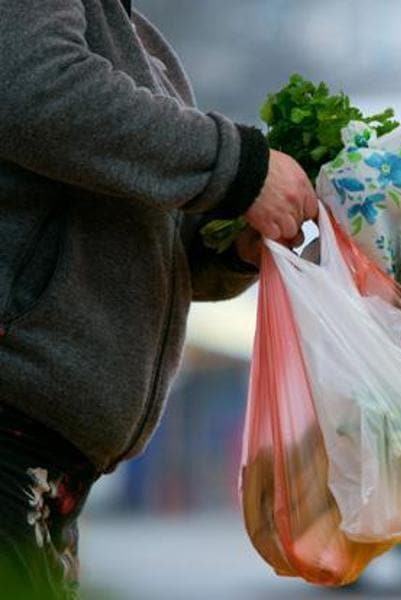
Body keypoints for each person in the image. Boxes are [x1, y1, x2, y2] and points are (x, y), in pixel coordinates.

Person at [0, 1, 318, 597]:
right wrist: (239, 169)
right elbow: (33, 83)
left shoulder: (137, 41)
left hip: (48, 463)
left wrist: (230, 246)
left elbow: (139, 235)